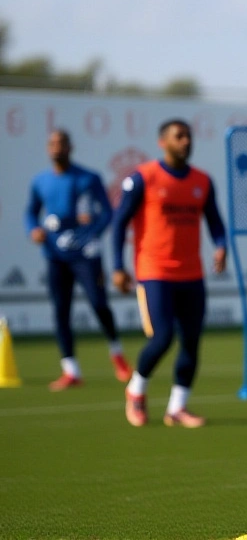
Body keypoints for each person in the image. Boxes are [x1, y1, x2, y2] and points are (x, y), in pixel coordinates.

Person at [112, 119, 227, 428]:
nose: (186, 141)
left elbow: (215, 222)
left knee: (191, 342)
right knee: (163, 337)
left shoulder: (202, 180)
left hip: (192, 274)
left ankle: (177, 408)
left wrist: (220, 245)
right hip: (154, 272)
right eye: (179, 137)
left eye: (188, 136)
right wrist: (117, 267)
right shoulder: (143, 178)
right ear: (162, 142)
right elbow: (119, 222)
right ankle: (136, 390)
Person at [25, 129, 131, 390]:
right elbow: (31, 212)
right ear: (47, 148)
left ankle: (117, 353)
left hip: (85, 256)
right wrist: (34, 230)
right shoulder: (41, 181)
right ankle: (71, 370)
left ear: (70, 147)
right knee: (61, 310)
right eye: (52, 143)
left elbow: (107, 214)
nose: (57, 147)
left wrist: (86, 234)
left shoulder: (88, 178)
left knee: (98, 304)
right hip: (55, 256)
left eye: (61, 143)